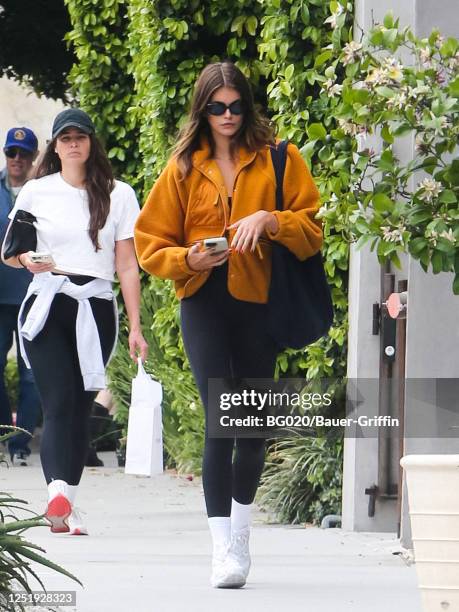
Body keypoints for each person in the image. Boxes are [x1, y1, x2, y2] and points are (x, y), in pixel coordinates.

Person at [134, 62, 323, 587]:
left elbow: (312, 228)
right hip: (204, 302)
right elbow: (150, 242)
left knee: (253, 425)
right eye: (217, 107)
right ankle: (223, 547)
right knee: (222, 417)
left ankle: (241, 528)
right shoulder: (181, 168)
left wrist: (271, 220)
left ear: (247, 106)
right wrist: (188, 260)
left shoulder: (279, 159)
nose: (228, 115)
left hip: (260, 303)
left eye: (236, 105)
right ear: (202, 109)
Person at [2, 108, 148, 536]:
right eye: (64, 138)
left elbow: (127, 266)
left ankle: (67, 505)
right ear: (55, 145)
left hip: (96, 307)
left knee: (81, 408)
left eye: (79, 136)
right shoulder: (36, 191)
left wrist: (135, 326)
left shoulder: (119, 193)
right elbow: (10, 251)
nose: (72, 143)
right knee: (59, 400)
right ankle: (56, 494)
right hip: (48, 302)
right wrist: (28, 259)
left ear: (90, 141)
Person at [0, 127, 41, 465]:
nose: (17, 159)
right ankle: (4, 435)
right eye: (12, 153)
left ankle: (21, 443)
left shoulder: (43, 192)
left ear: (33, 157)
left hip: (32, 293)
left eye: (23, 153)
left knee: (31, 371)